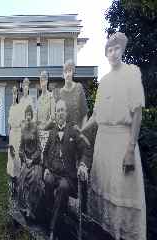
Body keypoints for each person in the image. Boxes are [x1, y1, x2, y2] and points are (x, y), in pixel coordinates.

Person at [78, 32, 146, 240]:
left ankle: (123, 233)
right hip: (103, 144)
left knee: (122, 190)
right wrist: (81, 130)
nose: (113, 53)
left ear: (122, 50)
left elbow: (137, 114)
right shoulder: (105, 81)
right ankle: (106, 232)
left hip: (121, 142)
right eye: (109, 49)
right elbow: (97, 115)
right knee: (103, 190)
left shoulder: (131, 74)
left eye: (116, 48)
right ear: (106, 53)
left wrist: (130, 149)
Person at [43, 99, 91, 240]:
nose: (60, 113)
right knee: (48, 181)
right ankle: (52, 219)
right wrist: (46, 167)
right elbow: (45, 153)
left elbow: (86, 150)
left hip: (68, 177)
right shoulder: (52, 133)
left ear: (66, 112)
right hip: (53, 172)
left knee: (63, 187)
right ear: (55, 113)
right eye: (57, 110)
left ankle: (52, 229)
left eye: (62, 110)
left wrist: (83, 165)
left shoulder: (74, 131)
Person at [17, 105, 44, 222]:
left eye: (30, 115)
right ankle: (24, 207)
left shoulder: (35, 128)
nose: (28, 117)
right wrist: (24, 158)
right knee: (21, 179)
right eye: (26, 114)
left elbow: (39, 148)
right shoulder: (23, 130)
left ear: (32, 116)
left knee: (35, 179)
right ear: (25, 116)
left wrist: (32, 159)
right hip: (26, 161)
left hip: (35, 162)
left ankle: (32, 209)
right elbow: (20, 148)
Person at [59, 59, 88, 128]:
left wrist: (82, 131)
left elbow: (85, 114)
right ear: (63, 74)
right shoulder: (61, 92)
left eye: (70, 71)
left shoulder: (79, 87)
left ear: (73, 72)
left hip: (78, 132)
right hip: (66, 133)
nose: (68, 74)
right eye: (65, 72)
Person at [7, 86, 21, 199]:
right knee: (11, 160)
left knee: (17, 159)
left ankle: (18, 186)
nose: (14, 95)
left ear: (17, 95)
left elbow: (20, 123)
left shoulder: (19, 107)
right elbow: (9, 125)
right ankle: (12, 185)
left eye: (16, 94)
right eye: (13, 93)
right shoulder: (11, 108)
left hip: (18, 134)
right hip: (12, 135)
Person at [36, 71, 56, 150]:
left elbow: (53, 118)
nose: (42, 80)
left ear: (47, 80)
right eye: (40, 78)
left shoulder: (51, 97)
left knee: (46, 159)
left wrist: (43, 127)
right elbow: (35, 117)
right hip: (38, 134)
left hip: (47, 134)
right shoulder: (38, 100)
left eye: (44, 77)